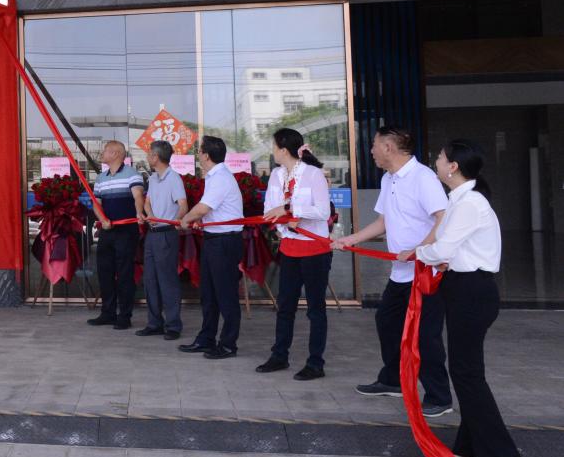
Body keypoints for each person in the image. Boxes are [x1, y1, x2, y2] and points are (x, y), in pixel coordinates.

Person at [413, 140, 520, 457]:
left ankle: (498, 455)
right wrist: (432, 255)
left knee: (466, 372)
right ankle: (469, 447)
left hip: (472, 292)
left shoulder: (470, 203)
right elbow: (453, 251)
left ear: (453, 166)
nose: (436, 161)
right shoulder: (459, 200)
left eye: (440, 158)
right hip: (462, 288)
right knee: (465, 370)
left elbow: (443, 248)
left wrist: (419, 253)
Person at [333, 125, 453, 417]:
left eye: (374, 145)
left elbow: (444, 218)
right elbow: (383, 222)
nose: (371, 151)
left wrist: (419, 249)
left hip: (426, 273)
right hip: (400, 273)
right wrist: (350, 239)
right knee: (387, 322)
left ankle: (439, 397)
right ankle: (392, 380)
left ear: (388, 147)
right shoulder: (389, 179)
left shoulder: (422, 178)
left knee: (425, 336)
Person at [256, 129, 332, 380]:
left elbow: (323, 211)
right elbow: (270, 208)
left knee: (315, 308)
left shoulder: (313, 174)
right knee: (285, 305)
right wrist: (282, 227)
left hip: (315, 249)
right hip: (289, 247)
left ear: (283, 149)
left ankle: (316, 362)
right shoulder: (276, 175)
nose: (272, 151)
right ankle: (279, 355)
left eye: (274, 147)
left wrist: (290, 208)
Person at [178, 136, 243, 360]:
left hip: (224, 241)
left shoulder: (221, 177)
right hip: (214, 239)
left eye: (199, 151)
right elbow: (210, 210)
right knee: (209, 293)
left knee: (225, 294)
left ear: (206, 155)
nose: (198, 155)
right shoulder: (214, 176)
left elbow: (204, 207)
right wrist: (199, 220)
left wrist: (186, 219)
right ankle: (206, 338)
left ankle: (228, 344)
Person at [86, 140, 146, 331]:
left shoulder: (132, 174)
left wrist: (139, 213)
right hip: (107, 231)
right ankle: (108, 313)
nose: (102, 154)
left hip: (126, 231)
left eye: (105, 151)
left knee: (125, 273)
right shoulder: (100, 178)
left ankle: (124, 316)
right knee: (104, 272)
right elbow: (97, 204)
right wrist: (102, 219)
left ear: (116, 153)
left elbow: (138, 196)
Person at [136, 140, 187, 340]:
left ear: (156, 157)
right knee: (150, 280)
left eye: (149, 154)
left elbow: (183, 205)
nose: (147, 157)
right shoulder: (153, 178)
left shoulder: (174, 178)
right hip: (152, 233)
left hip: (166, 233)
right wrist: (149, 215)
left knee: (167, 280)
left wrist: (176, 220)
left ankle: (173, 325)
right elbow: (147, 201)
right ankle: (154, 323)